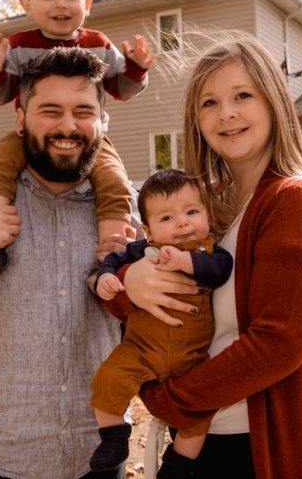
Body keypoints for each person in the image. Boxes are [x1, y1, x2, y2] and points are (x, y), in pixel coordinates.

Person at [0, 48, 179, 479]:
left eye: (83, 112)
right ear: (20, 119)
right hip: (0, 460)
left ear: (102, 122)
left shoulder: (129, 217)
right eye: (50, 111)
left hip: (101, 460)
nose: (68, 126)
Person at [103, 36, 302, 478]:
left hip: (257, 447)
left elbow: (277, 345)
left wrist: (169, 398)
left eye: (243, 95)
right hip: (205, 436)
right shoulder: (207, 209)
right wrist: (127, 282)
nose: (226, 113)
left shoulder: (295, 202)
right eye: (209, 103)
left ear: (274, 101)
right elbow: (139, 287)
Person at [0, 0, 155, 292]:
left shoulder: (98, 43)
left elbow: (121, 89)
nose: (60, 4)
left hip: (91, 142)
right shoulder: (20, 46)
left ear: (88, 2)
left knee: (114, 181)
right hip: (30, 137)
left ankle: (110, 259)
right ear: (26, 4)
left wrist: (138, 68)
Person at [86, 169, 233, 475]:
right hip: (141, 348)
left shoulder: (210, 251)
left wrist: (185, 261)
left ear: (206, 214)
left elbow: (220, 269)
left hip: (191, 358)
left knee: (199, 414)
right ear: (148, 231)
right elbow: (114, 258)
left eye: (192, 212)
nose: (182, 222)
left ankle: (178, 463)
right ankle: (113, 437)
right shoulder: (143, 250)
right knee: (108, 378)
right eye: (166, 218)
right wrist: (107, 277)